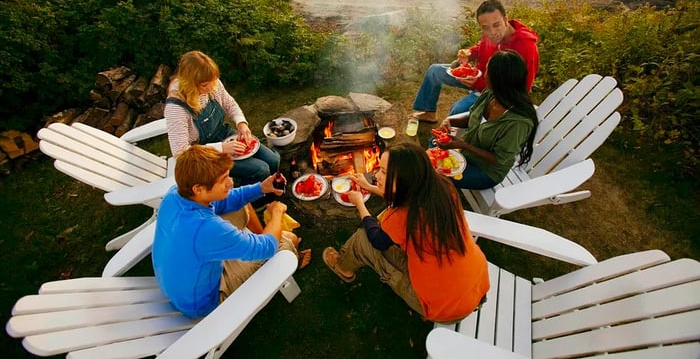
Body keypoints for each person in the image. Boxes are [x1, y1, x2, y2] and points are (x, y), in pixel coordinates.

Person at [323, 142, 490, 323]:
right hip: (476, 284)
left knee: (362, 239)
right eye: (380, 168)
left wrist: (360, 204)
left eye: (385, 172)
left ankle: (342, 267)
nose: (377, 175)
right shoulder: (444, 188)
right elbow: (405, 194)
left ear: (405, 180)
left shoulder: (401, 217)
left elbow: (378, 240)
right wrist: (370, 188)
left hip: (446, 310)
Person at [152, 145, 310, 318]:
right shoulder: (207, 227)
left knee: (241, 205)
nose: (231, 182)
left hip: (183, 278)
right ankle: (294, 254)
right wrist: (277, 213)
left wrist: (261, 188)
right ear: (199, 189)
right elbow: (268, 247)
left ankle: (260, 237)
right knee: (288, 241)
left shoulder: (175, 194)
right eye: (223, 180)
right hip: (204, 301)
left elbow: (224, 201)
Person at [164, 50, 280, 214]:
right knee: (260, 169)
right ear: (190, 83)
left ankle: (271, 189)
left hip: (224, 134)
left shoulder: (212, 83)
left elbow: (230, 103)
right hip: (201, 156)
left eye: (213, 82)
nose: (212, 87)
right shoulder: (176, 107)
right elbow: (180, 153)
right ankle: (252, 204)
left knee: (273, 159)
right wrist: (221, 148)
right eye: (205, 85)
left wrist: (241, 123)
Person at [412, 0, 539, 122]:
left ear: (506, 19)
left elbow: (522, 88)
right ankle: (428, 112)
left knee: (457, 110)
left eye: (496, 25)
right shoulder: (491, 34)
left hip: (495, 94)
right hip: (477, 76)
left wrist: (478, 84)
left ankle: (453, 140)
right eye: (486, 27)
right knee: (434, 71)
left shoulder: (525, 46)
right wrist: (470, 54)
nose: (492, 32)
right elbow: (481, 47)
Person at [436, 50, 539, 190]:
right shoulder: (491, 93)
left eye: (487, 71)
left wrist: (463, 145)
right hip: (465, 155)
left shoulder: (518, 122)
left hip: (485, 171)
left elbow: (498, 159)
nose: (484, 75)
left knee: (431, 175)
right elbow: (473, 115)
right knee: (427, 159)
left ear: (498, 79)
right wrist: (450, 120)